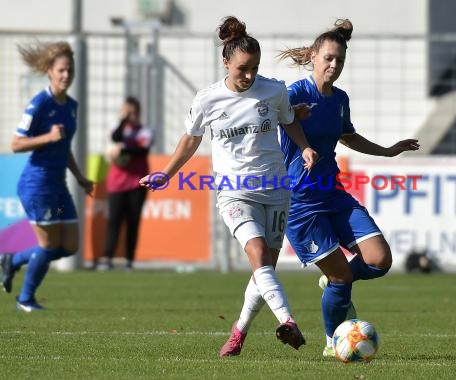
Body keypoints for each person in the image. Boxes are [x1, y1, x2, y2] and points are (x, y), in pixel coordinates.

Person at [139, 16, 318, 356]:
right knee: (258, 254)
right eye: (242, 69)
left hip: (276, 189)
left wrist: (305, 145)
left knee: (263, 271)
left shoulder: (274, 90)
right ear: (225, 62)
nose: (249, 76)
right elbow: (190, 141)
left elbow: (289, 121)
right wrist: (167, 173)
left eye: (254, 68)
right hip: (234, 191)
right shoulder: (207, 99)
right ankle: (288, 321)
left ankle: (238, 334)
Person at [277, 19, 420, 357]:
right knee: (342, 277)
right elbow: (286, 117)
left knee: (379, 259)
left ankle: (334, 281)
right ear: (313, 57)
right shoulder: (296, 92)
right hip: (301, 203)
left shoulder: (339, 99)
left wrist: (388, 150)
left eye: (339, 60)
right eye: (328, 58)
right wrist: (304, 146)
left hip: (333, 193)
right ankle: (333, 342)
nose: (333, 65)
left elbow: (347, 134)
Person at [0, 41, 94, 312]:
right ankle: (25, 300)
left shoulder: (72, 106)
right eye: (61, 70)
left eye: (70, 70)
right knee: (49, 244)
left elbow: (64, 148)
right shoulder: (39, 103)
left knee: (70, 246)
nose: (66, 75)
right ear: (50, 72)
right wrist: (48, 137)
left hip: (59, 185)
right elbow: (16, 143)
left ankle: (13, 260)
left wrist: (80, 177)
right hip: (37, 184)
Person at [94, 96, 152, 271]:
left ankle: (129, 260)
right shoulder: (119, 129)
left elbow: (143, 150)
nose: (130, 115)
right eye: (127, 111)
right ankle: (107, 258)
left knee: (133, 221)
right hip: (117, 182)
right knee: (114, 221)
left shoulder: (144, 131)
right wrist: (123, 120)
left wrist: (124, 149)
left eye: (132, 112)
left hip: (137, 182)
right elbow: (115, 137)